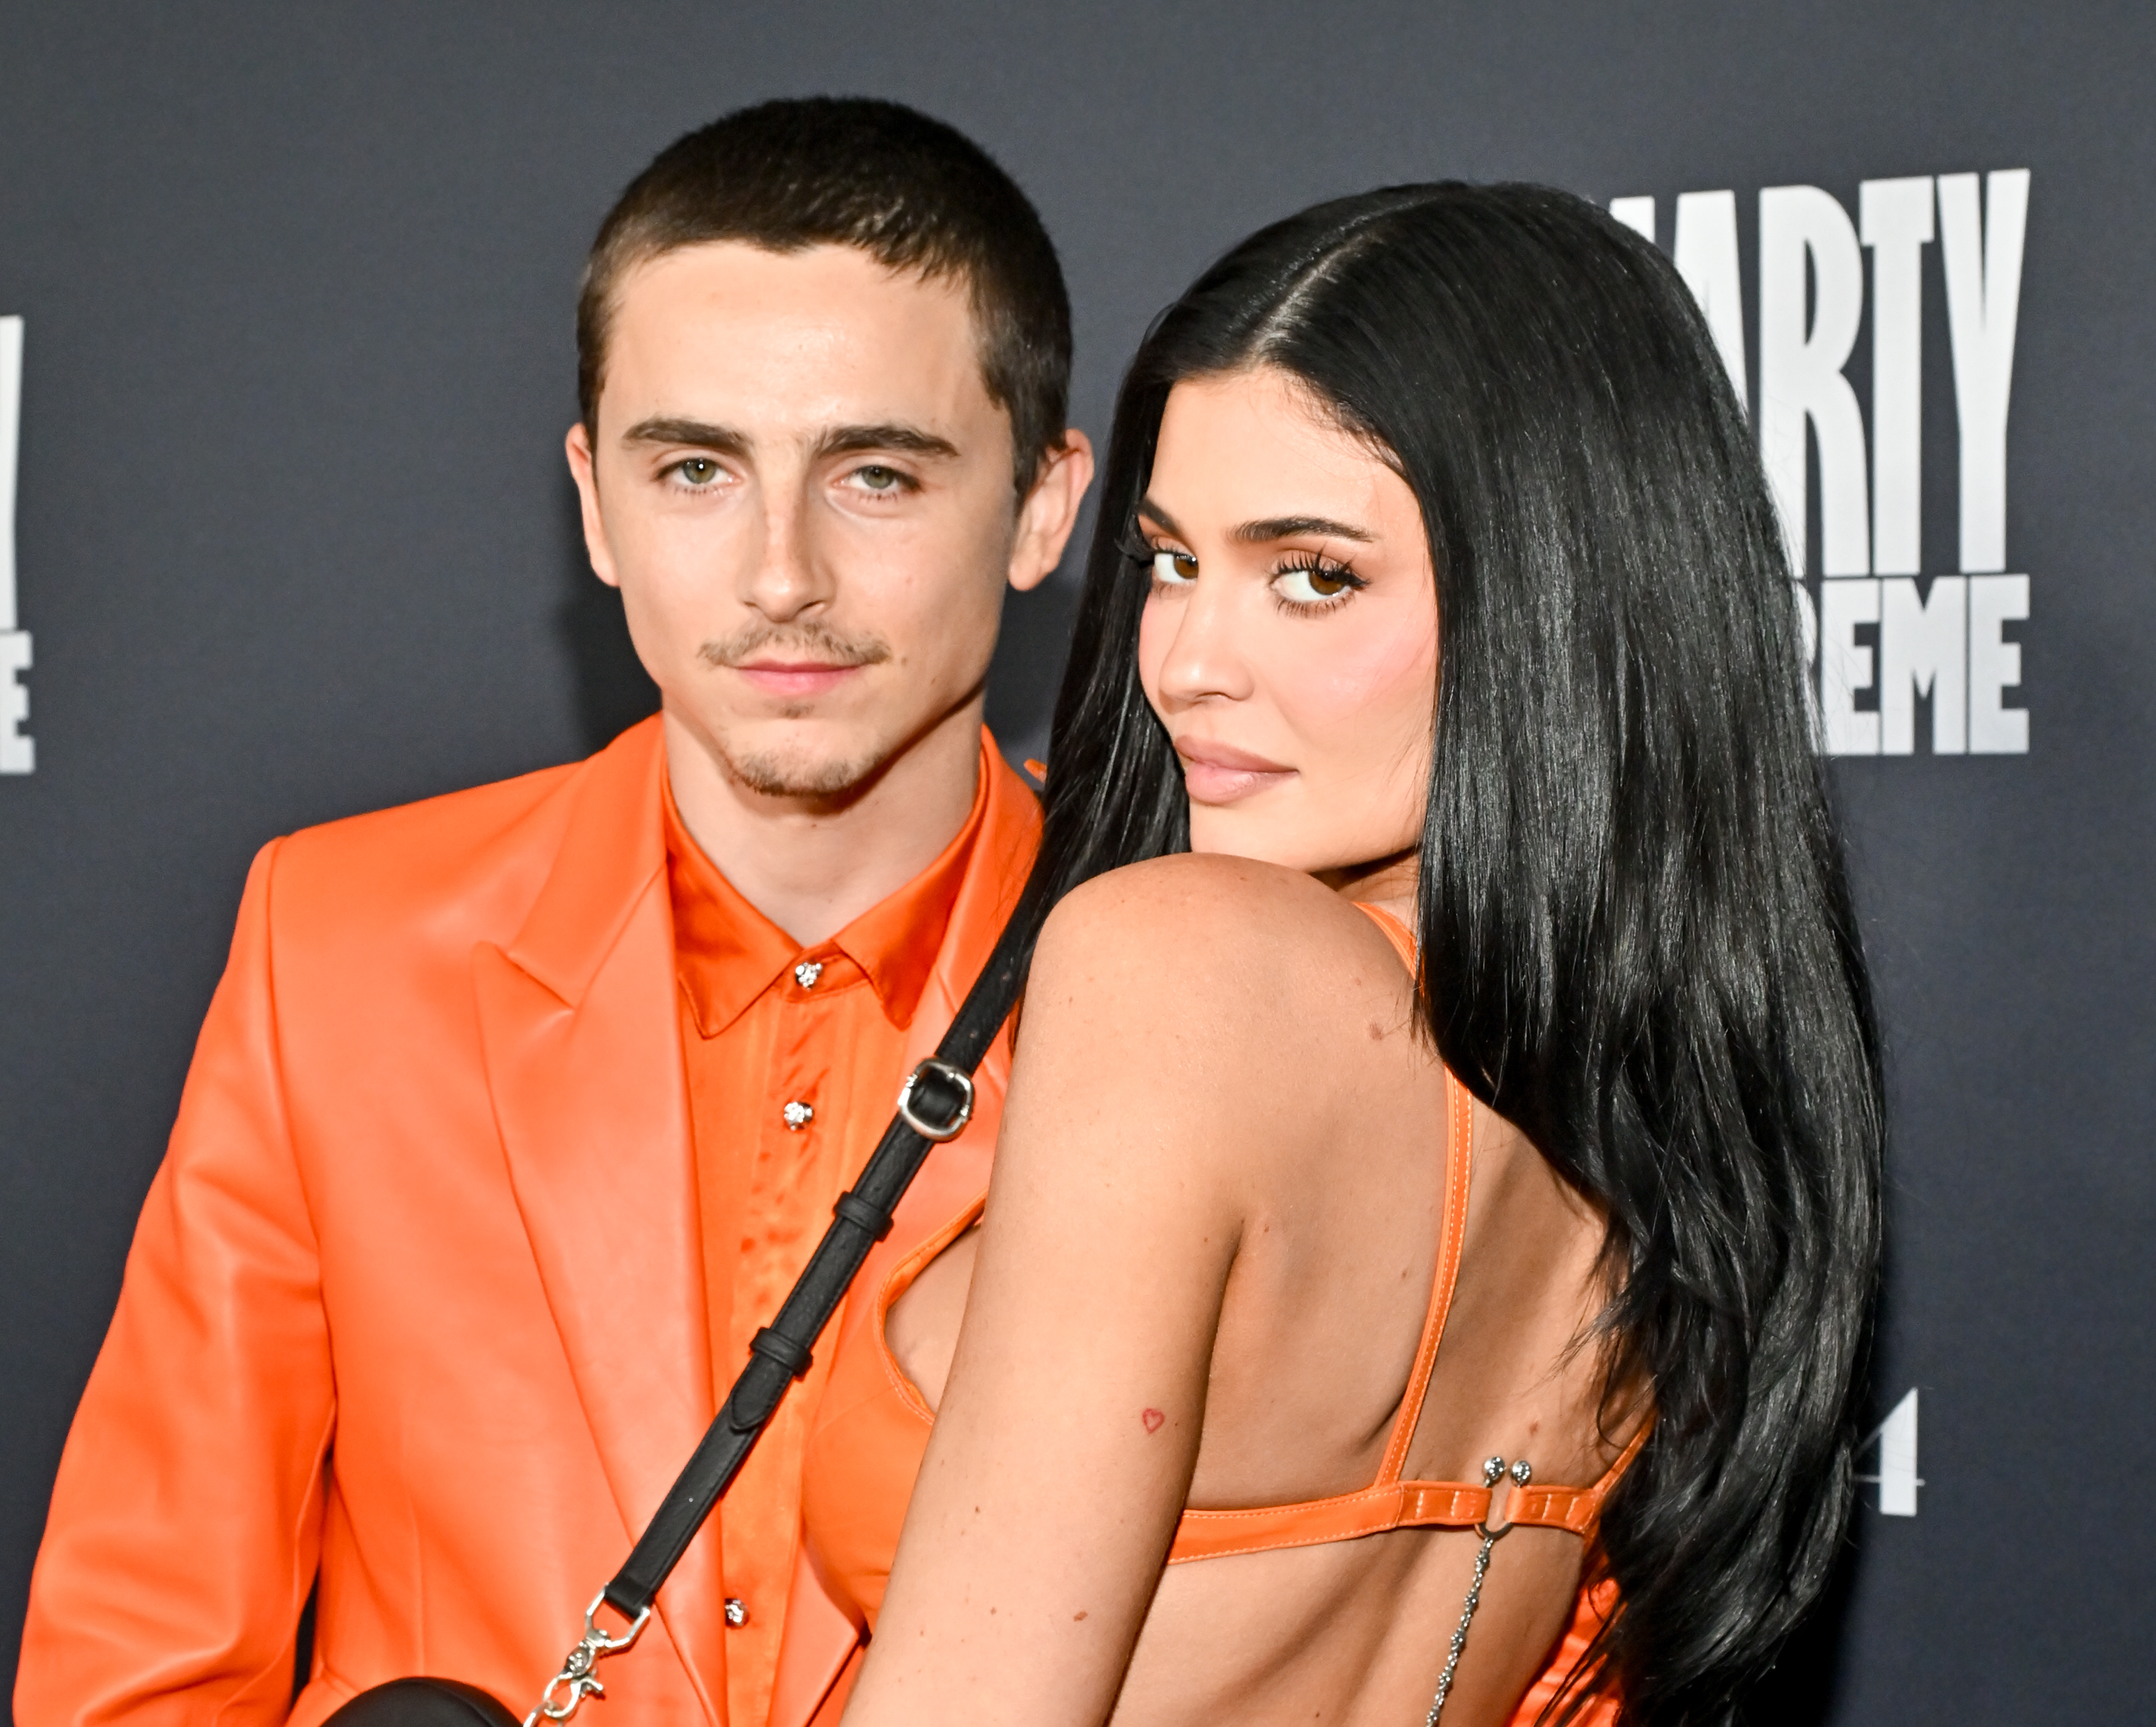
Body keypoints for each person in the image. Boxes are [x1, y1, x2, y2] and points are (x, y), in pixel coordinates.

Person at [13, 98, 1094, 1727]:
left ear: (1039, 508)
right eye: (695, 469)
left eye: (876, 475)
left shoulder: (1197, 1007)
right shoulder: (341, 951)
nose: (781, 570)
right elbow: (140, 1669)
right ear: (594, 502)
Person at [800, 185, 1884, 1726]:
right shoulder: (1669, 1124)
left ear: (1555, 604)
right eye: (1170, 561)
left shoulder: (1178, 967)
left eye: (1313, 574)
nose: (1185, 665)